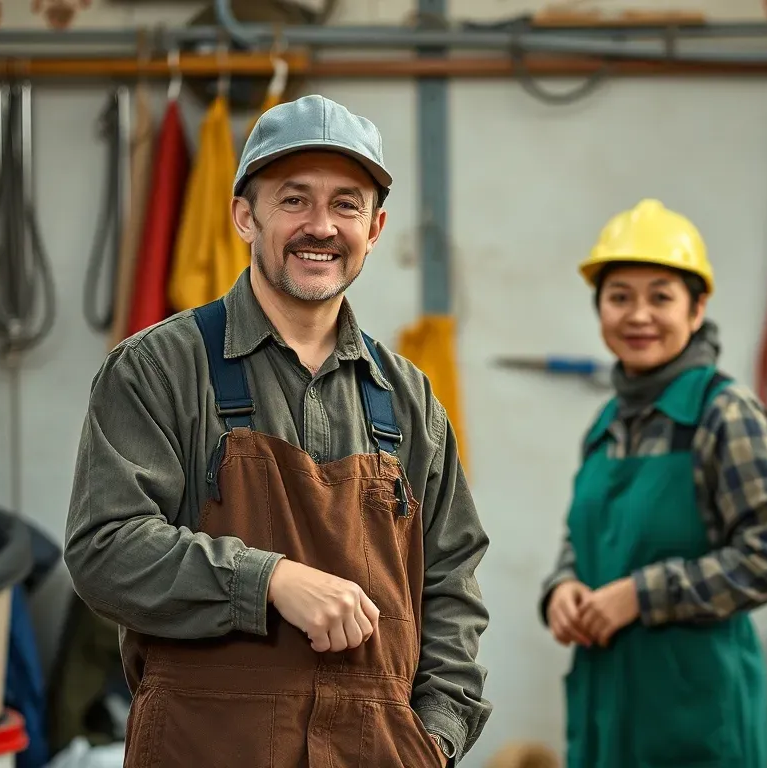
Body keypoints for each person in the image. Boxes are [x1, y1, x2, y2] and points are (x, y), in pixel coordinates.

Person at [64, 94, 491, 767]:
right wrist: (267, 581)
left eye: (345, 204)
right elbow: (105, 550)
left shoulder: (408, 400)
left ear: (375, 228)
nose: (320, 226)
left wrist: (433, 737)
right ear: (244, 215)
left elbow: (452, 585)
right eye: (294, 200)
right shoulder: (158, 368)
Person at [538, 199, 767, 768]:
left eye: (661, 296)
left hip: (696, 712)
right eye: (620, 297)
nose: (639, 315)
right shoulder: (606, 424)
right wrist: (562, 589)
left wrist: (641, 594)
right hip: (608, 702)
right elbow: (578, 538)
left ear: (697, 306)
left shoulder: (724, 414)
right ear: (600, 308)